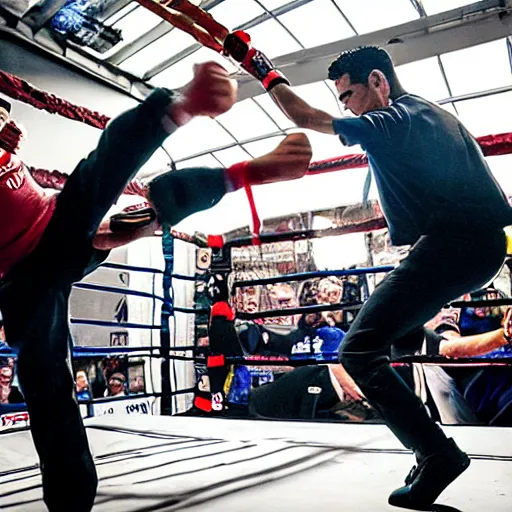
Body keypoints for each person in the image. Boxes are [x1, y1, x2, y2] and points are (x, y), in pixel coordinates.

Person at [0, 61, 311, 512]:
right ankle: (219, 158)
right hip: (28, 269)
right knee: (105, 202)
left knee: (115, 213)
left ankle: (198, 126)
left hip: (52, 230)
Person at [226, 40, 512, 509]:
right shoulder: (421, 114)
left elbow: (306, 118)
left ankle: (436, 453)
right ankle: (427, 442)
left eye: (349, 96)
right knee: (398, 339)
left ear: (377, 82)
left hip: (457, 245)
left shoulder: (396, 118)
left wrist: (262, 69)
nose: (347, 107)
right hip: (465, 246)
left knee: (357, 351)